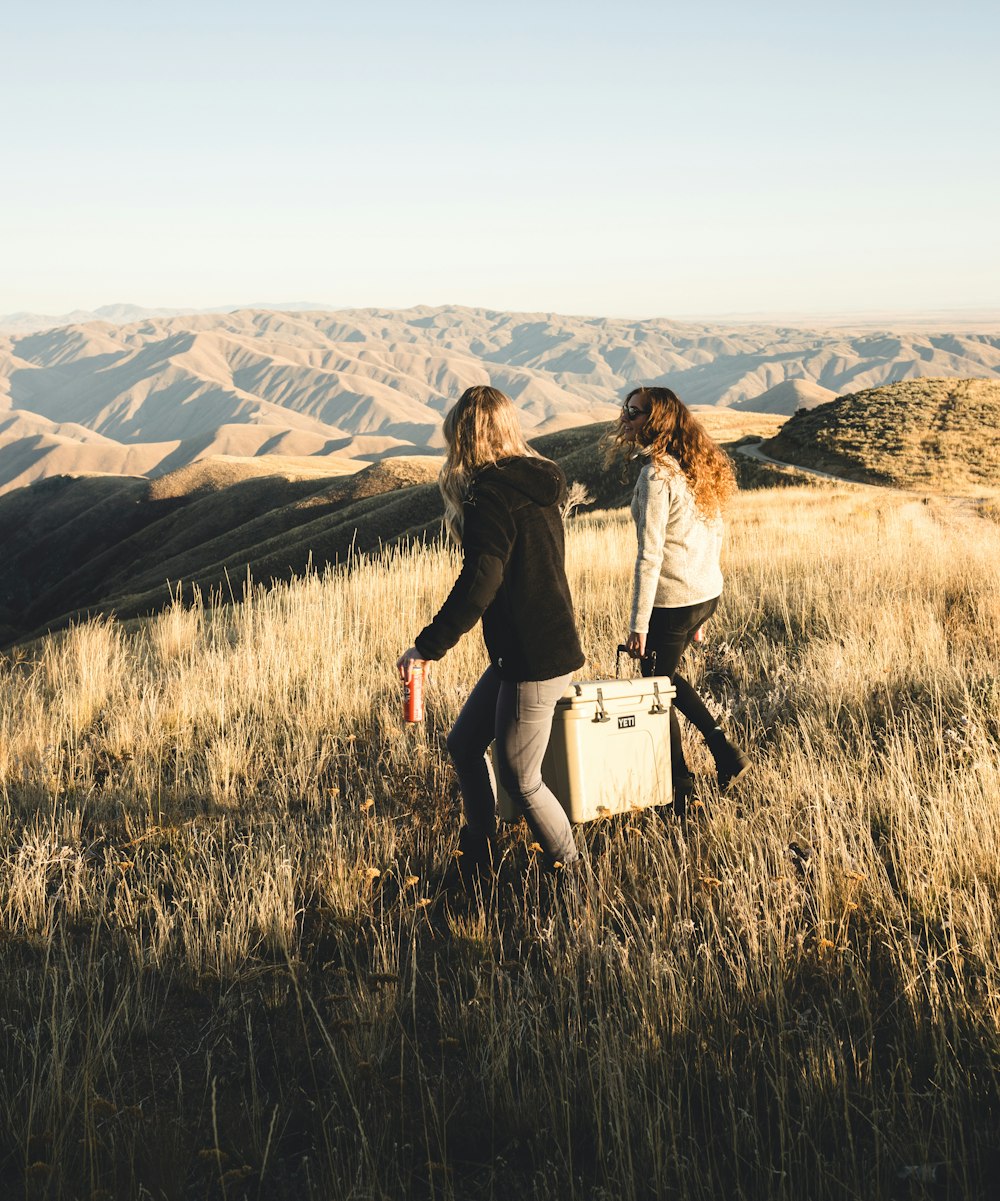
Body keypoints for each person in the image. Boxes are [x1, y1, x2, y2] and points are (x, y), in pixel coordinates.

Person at [397, 385, 585, 885]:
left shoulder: (490, 496)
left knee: (522, 781)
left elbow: (481, 581)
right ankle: (478, 855)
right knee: (462, 745)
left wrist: (428, 647)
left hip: (534, 657)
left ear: (463, 435)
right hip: (524, 650)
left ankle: (573, 875)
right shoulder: (534, 483)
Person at [612, 385, 750, 816]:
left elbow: (649, 554)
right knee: (664, 679)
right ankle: (719, 755)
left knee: (656, 684)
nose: (626, 418)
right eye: (627, 409)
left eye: (634, 413)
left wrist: (638, 622)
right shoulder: (693, 465)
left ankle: (684, 789)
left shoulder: (657, 475)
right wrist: (701, 609)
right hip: (704, 591)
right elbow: (715, 532)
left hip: (674, 598)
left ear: (655, 421)